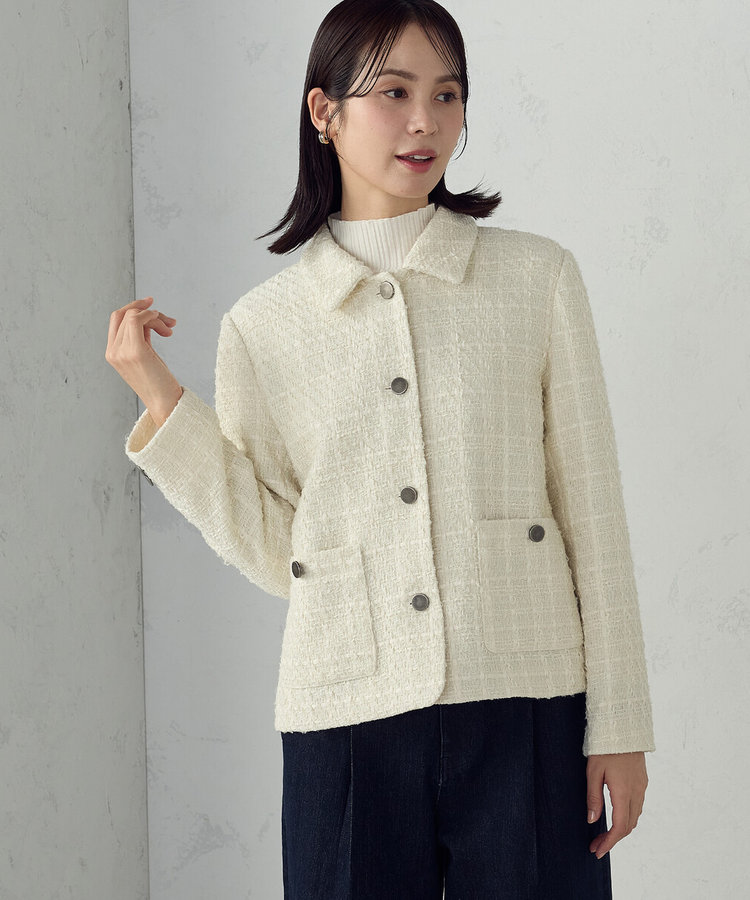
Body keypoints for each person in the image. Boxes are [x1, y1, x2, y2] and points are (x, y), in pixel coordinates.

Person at [105, 1, 655, 896]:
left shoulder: (536, 278)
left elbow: (594, 513)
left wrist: (620, 725)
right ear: (323, 112)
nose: (425, 121)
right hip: (344, 717)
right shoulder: (263, 327)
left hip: (527, 700)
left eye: (447, 94)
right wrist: (161, 400)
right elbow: (279, 552)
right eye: (394, 92)